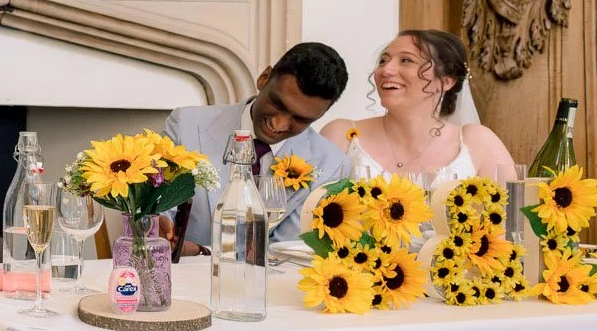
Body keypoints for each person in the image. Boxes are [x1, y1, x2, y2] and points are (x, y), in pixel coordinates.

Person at [164, 42, 351, 252]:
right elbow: (159, 210)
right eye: (278, 104)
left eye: (300, 119)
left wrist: (202, 251)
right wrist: (159, 230)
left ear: (321, 115)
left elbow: (287, 253)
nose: (279, 124)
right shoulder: (185, 125)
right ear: (264, 78)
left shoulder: (331, 165)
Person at [320, 29, 514, 186]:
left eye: (406, 60)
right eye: (383, 60)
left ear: (446, 81)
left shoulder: (478, 143)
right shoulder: (342, 136)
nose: (385, 70)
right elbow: (307, 219)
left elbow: (510, 227)